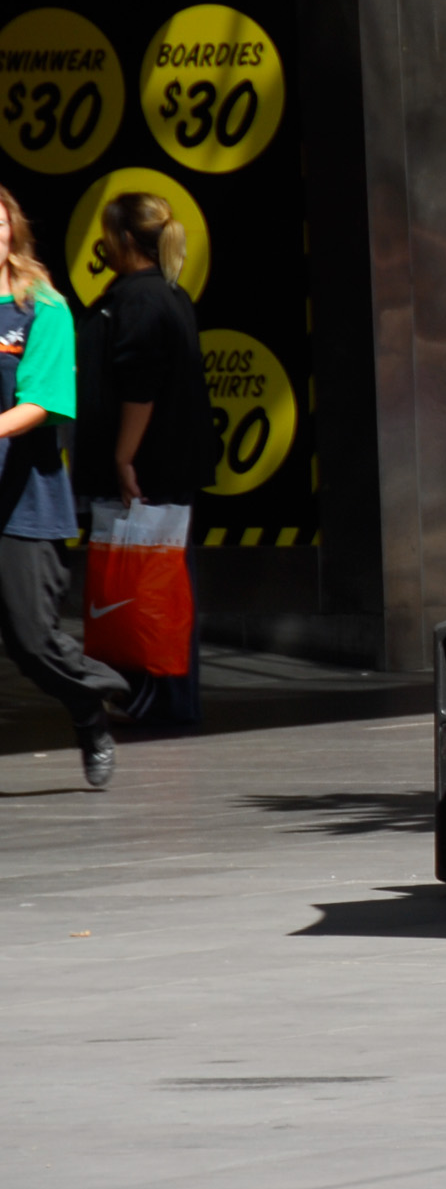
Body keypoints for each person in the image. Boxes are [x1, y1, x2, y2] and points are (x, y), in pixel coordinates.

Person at [0, 186, 126, 787]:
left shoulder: (41, 307)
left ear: (11, 231)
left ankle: (91, 703)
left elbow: (44, 402)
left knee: (30, 639)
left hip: (20, 498)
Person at [75, 193, 214, 725]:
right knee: (161, 584)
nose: (101, 243)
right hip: (162, 472)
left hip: (147, 472)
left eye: (107, 233)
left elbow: (141, 382)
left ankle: (155, 702)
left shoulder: (139, 300)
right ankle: (156, 699)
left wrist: (123, 457)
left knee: (151, 589)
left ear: (126, 239)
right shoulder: (164, 294)